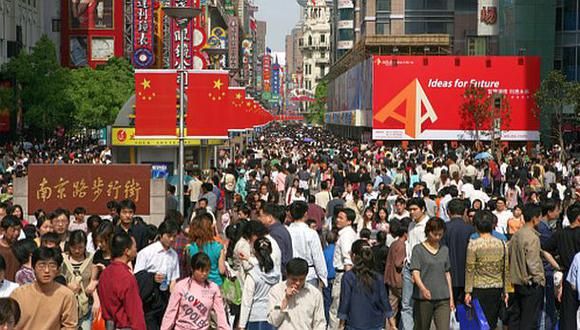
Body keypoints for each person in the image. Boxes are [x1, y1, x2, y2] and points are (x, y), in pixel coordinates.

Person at [10, 247, 78, 329]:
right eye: (41, 265)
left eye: (52, 266)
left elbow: (69, 326)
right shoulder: (18, 294)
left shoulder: (66, 296)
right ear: (33, 267)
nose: (46, 270)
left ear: (58, 270)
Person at [464, 210, 509, 330]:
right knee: (492, 322)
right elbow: (506, 268)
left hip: (478, 287)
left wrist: (467, 291)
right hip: (496, 288)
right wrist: (506, 290)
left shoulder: (473, 244)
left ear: (476, 225)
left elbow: (470, 269)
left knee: (480, 321)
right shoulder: (502, 243)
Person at [160, 252, 228, 330]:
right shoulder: (181, 286)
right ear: (192, 269)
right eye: (201, 271)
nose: (204, 274)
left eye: (207, 270)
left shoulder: (213, 288)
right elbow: (170, 312)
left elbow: (220, 313)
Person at [338, 239, 393, 330]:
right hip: (376, 324)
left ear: (354, 256)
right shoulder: (378, 277)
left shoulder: (348, 277)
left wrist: (341, 324)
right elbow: (384, 300)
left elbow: (345, 301)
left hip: (354, 324)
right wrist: (392, 323)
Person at [410, 217, 453, 330]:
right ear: (428, 232)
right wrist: (423, 288)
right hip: (423, 298)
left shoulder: (444, 249)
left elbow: (447, 273)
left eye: (440, 234)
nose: (438, 237)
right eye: (435, 234)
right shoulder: (418, 250)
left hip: (443, 297)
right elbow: (415, 272)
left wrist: (451, 298)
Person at [542, 202, 580, 330]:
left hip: (568, 276)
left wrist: (558, 266)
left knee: (568, 314)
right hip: (574, 274)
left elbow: (545, 250)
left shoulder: (560, 234)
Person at [98, 232, 146, 330]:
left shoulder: (105, 273)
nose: (136, 250)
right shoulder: (126, 276)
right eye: (134, 247)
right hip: (124, 325)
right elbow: (134, 311)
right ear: (127, 251)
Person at [509, 204, 545, 329]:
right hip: (530, 283)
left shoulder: (517, 234)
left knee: (517, 316)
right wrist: (539, 279)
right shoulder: (532, 237)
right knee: (529, 320)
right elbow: (532, 262)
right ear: (535, 218)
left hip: (517, 281)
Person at [267, 258, 326, 330]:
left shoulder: (314, 294)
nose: (298, 283)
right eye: (294, 279)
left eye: (301, 279)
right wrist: (285, 300)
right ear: (287, 275)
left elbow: (319, 323)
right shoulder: (276, 291)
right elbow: (273, 321)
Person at [239, 237, 281, 330]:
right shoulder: (276, 273)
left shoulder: (253, 275)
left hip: (255, 317)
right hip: (272, 316)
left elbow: (247, 301)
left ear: (254, 252)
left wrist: (241, 325)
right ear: (271, 251)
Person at [400, 198, 429, 330]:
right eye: (410, 210)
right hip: (408, 267)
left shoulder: (428, 225)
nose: (412, 212)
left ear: (422, 209)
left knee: (423, 303)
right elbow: (410, 244)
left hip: (423, 269)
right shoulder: (411, 225)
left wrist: (418, 270)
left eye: (415, 209)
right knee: (406, 304)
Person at [61, 230, 97, 330]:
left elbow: (95, 280)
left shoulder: (92, 258)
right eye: (74, 248)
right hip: (67, 306)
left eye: (80, 247)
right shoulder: (62, 259)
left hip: (86, 305)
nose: (77, 251)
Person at [329, 208, 358, 329]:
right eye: (338, 217)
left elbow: (348, 260)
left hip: (342, 275)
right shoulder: (348, 234)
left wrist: (348, 279)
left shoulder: (346, 236)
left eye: (341, 218)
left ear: (349, 221)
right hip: (344, 275)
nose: (337, 220)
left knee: (336, 308)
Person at [286, 201, 327, 287]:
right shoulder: (311, 233)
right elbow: (318, 256)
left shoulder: (286, 232)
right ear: (305, 214)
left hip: (290, 274)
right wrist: (323, 277)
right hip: (308, 275)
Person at [441, 198, 474, 303]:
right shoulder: (471, 229)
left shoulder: (443, 229)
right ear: (464, 211)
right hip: (467, 276)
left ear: (448, 212)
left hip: (448, 275)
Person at [186, 213, 226, 286]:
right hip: (215, 284)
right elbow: (221, 270)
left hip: (197, 284)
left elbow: (189, 269)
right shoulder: (218, 246)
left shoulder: (190, 248)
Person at [385, 217, 410, 327]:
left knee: (391, 308)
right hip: (399, 281)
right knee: (405, 307)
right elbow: (398, 263)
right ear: (405, 233)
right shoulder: (402, 245)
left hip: (391, 280)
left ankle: (389, 326)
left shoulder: (394, 243)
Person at [0, 216, 21, 282]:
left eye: (19, 230)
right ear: (3, 230)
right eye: (13, 230)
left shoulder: (20, 247)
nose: (17, 233)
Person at [322, 231, 337, 323]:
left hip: (327, 278)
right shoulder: (337, 250)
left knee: (327, 302)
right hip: (336, 277)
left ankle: (328, 321)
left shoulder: (324, 251)